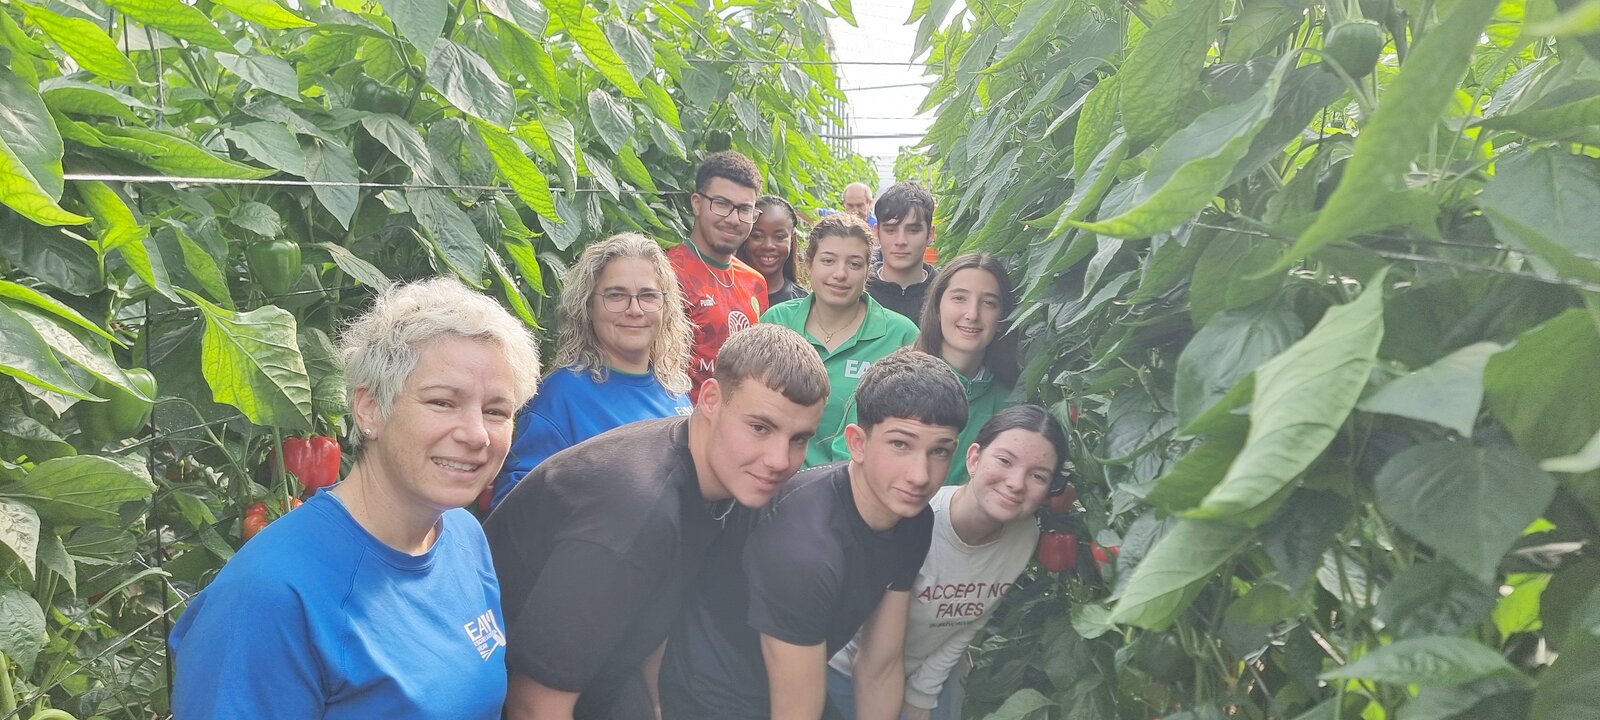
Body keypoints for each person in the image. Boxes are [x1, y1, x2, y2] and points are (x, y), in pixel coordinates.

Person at [170, 277, 542, 718]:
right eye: (442, 402)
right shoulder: (268, 597)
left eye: (496, 411)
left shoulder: (462, 536)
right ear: (369, 409)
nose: (476, 434)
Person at [485, 324, 828, 720]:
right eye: (760, 428)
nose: (779, 460)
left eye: (799, 439)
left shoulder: (716, 476)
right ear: (711, 400)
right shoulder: (636, 513)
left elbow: (653, 617)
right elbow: (533, 706)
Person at [659, 348, 969, 720]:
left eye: (939, 451)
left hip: (796, 679)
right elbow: (796, 711)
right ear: (857, 443)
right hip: (709, 697)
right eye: (900, 444)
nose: (920, 475)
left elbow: (880, 666)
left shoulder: (914, 519)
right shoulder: (805, 548)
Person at [827, 405, 1070, 720]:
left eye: (1038, 476)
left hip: (924, 675)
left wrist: (920, 699)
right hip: (846, 670)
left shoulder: (1023, 536)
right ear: (973, 458)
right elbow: (867, 647)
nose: (1016, 483)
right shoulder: (912, 523)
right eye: (1005, 461)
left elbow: (965, 625)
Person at [490, 232, 694, 508]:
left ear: (666, 305)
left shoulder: (674, 391)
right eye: (616, 295)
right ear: (588, 306)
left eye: (648, 295)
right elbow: (515, 508)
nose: (635, 309)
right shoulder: (561, 396)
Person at [761, 214, 918, 467]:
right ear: (808, 264)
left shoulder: (900, 335)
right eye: (828, 260)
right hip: (776, 480)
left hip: (856, 490)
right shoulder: (777, 322)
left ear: (868, 271)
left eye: (855, 264)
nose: (840, 274)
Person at [668, 150, 770, 402]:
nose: (733, 219)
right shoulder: (667, 273)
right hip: (681, 426)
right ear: (697, 203)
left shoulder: (754, 282)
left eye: (745, 209)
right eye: (722, 204)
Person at [913, 253, 1021, 486]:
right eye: (959, 298)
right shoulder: (894, 380)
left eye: (989, 303)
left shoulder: (1013, 401)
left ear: (1003, 315)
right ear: (938, 306)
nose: (972, 314)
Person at [867, 182, 938, 326]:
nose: (901, 241)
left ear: (930, 234)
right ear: (876, 233)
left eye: (913, 230)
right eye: (891, 230)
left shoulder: (945, 291)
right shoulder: (859, 291)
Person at [737, 195, 808, 306]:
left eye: (779, 237)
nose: (768, 246)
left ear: (792, 239)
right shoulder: (726, 293)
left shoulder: (803, 304)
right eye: (757, 236)